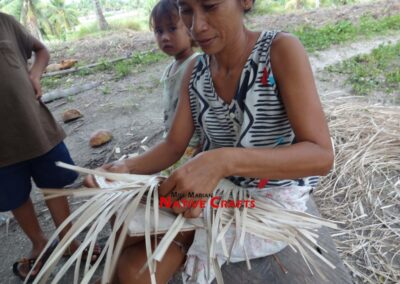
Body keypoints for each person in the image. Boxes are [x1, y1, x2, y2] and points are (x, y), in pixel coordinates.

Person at [85, 0, 334, 283]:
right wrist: (125, 169)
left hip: (268, 204)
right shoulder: (196, 72)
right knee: (123, 224)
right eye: (186, 10)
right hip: (213, 192)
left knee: (135, 269)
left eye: (210, 6)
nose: (196, 25)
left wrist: (222, 161)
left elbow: (320, 156)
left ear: (246, 2)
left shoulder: (279, 51)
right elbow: (172, 146)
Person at [0, 12, 99, 281]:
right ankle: (40, 243)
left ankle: (68, 239)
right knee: (14, 195)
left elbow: (40, 51)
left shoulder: (5, 22)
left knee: (53, 182)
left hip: (35, 127)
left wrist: (35, 75)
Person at [150, 0, 201, 173]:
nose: (164, 37)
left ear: (189, 28)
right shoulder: (170, 69)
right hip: (174, 144)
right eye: (159, 30)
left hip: (193, 148)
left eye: (172, 29)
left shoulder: (196, 63)